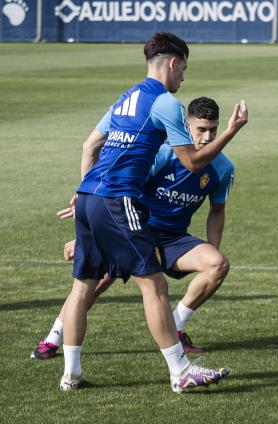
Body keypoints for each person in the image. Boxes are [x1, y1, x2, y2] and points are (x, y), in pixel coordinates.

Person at [59, 32, 248, 393]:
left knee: (83, 287)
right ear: (173, 63)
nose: (183, 79)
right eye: (184, 70)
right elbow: (191, 162)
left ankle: (71, 374)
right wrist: (231, 132)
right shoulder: (165, 103)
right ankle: (180, 371)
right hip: (118, 199)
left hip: (90, 195)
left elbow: (90, 146)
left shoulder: (127, 97)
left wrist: (87, 192)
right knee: (155, 284)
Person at [32, 97, 234, 360]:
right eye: (201, 130)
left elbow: (217, 211)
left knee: (217, 264)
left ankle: (175, 325)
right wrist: (85, 235)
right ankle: (53, 338)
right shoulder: (162, 155)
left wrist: (211, 246)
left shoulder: (223, 167)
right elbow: (117, 192)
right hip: (134, 229)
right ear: (186, 127)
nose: (207, 137)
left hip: (173, 240)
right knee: (96, 282)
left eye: (213, 129)